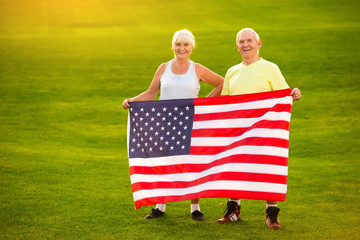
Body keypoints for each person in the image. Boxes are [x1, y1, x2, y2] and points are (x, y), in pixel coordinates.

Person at [122, 29, 224, 221]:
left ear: (192, 47)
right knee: (165, 162)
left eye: (186, 45)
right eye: (178, 44)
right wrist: (132, 100)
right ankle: (160, 206)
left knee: (191, 164)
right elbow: (151, 93)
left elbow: (220, 83)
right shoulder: (164, 67)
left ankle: (195, 208)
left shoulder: (197, 68)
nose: (181, 48)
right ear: (173, 46)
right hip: (165, 123)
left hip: (190, 124)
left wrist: (202, 105)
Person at [217, 28, 302, 228]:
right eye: (241, 41)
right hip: (238, 130)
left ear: (258, 43)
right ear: (237, 46)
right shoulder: (232, 71)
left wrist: (294, 93)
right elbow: (226, 101)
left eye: (249, 41)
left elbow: (284, 95)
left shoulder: (270, 68)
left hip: (264, 130)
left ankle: (271, 213)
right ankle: (233, 210)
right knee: (235, 168)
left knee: (267, 167)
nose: (245, 45)